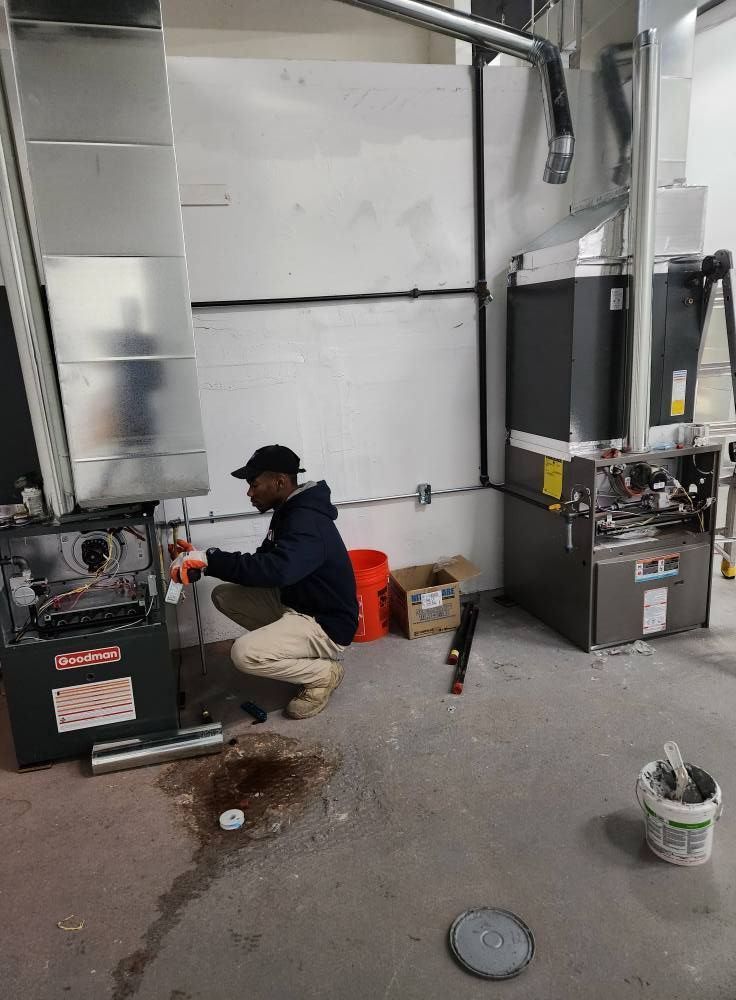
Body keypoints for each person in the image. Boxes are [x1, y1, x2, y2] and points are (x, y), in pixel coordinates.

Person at [170, 446, 358, 719]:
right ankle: (293, 651)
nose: (249, 493)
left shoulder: (306, 520)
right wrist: (201, 562)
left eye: (254, 484)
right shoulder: (288, 511)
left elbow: (276, 571)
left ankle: (323, 674)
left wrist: (210, 559)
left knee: (244, 654)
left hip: (325, 622)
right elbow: (262, 562)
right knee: (224, 595)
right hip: (296, 603)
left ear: (280, 482)